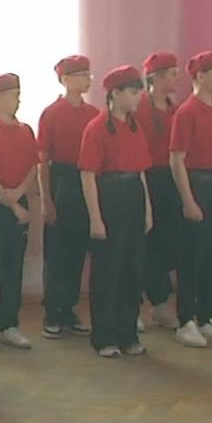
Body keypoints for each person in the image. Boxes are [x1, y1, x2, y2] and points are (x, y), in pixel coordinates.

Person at [79, 66, 154, 358]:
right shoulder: (96, 128)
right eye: (133, 93)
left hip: (133, 194)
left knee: (132, 270)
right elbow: (88, 175)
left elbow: (141, 171)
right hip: (109, 195)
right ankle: (104, 336)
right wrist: (95, 218)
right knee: (108, 270)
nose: (138, 98)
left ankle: (128, 334)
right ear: (115, 94)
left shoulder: (136, 126)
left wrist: (147, 210)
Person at [167, 51, 212, 348]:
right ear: (200, 77)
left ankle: (207, 316)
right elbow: (177, 159)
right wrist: (188, 200)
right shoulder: (187, 112)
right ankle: (186, 320)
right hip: (197, 184)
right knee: (193, 256)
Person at [0, 73, 39, 353]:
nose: (18, 100)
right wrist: (10, 202)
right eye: (13, 94)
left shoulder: (25, 130)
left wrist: (19, 195)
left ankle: (9, 323)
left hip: (18, 200)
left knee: (13, 266)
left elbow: (33, 166)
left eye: (19, 94)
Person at [38, 55, 98, 338]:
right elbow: (43, 159)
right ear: (65, 79)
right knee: (57, 252)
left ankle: (70, 308)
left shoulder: (94, 113)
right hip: (62, 180)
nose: (87, 80)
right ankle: (52, 311)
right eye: (81, 75)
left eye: (88, 74)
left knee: (78, 251)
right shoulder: (52, 113)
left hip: (88, 180)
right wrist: (46, 199)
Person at [137, 52, 182, 330]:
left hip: (171, 177)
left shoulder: (175, 110)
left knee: (169, 241)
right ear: (157, 77)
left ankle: (160, 302)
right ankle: (151, 302)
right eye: (173, 74)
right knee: (145, 242)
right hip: (146, 176)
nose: (177, 79)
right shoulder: (140, 108)